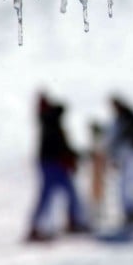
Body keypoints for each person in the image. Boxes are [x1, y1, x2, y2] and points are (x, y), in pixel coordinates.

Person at [27, 93, 87, 242]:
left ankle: (67, 222)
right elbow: (60, 146)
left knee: (59, 195)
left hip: (51, 163)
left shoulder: (47, 122)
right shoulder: (51, 122)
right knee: (53, 195)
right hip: (53, 164)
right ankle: (38, 227)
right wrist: (72, 156)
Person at [88, 121, 107, 223]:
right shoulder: (96, 142)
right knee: (95, 191)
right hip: (95, 169)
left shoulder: (99, 142)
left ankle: (98, 212)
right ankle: (96, 212)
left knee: (98, 190)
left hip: (97, 168)